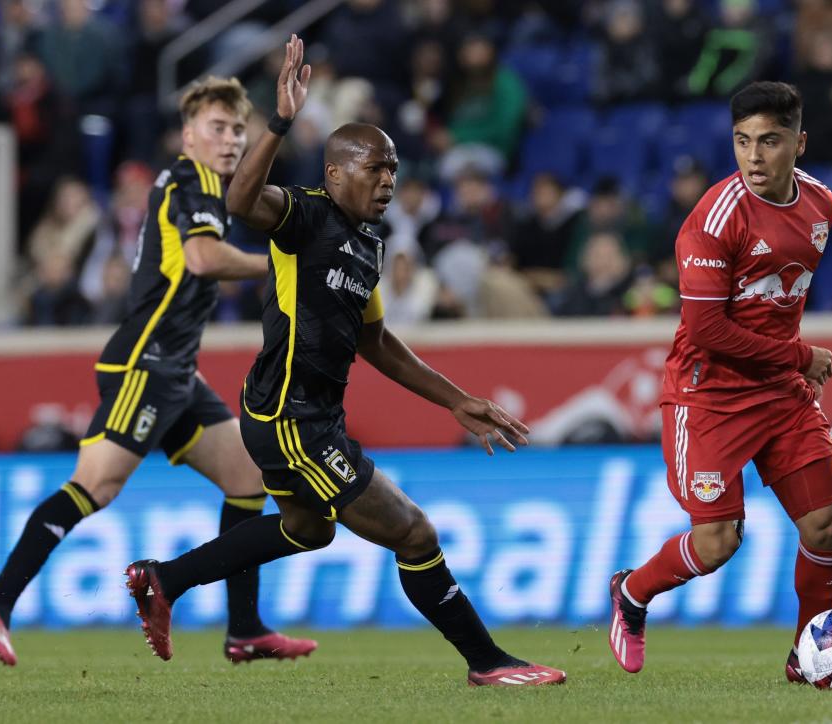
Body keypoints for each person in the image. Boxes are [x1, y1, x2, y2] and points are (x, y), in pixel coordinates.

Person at [121, 35, 565, 688]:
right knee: (414, 534)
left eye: (392, 171)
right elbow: (242, 203)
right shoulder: (307, 217)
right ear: (335, 173)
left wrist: (456, 400)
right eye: (374, 169)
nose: (387, 181)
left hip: (305, 414)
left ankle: (164, 580)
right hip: (290, 418)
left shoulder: (368, 244)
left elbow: (377, 341)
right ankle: (488, 663)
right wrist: (280, 122)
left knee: (307, 529)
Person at [0, 76, 315, 667]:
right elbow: (203, 258)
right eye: (217, 128)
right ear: (188, 134)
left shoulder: (196, 183)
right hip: (145, 365)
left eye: (236, 130)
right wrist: (278, 262)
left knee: (249, 477)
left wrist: (277, 126)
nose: (229, 140)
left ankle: (246, 629)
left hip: (177, 370)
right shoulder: (191, 179)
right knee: (93, 487)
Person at [606, 82, 832, 684]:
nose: (754, 157)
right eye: (742, 142)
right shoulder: (714, 220)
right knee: (716, 543)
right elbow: (708, 331)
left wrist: (788, 367)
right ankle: (632, 593)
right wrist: (798, 357)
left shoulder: (822, 204)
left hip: (779, 394)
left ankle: (808, 658)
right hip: (707, 394)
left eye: (769, 141)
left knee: (825, 526)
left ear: (799, 142)